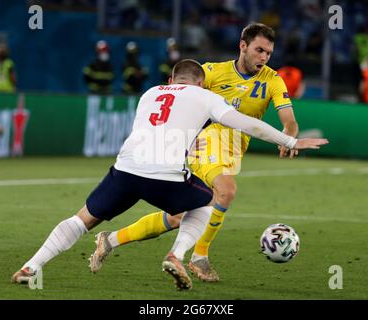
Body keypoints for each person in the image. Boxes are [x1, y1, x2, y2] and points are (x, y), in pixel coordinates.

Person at [11, 59, 327, 290]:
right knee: (207, 202)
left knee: (82, 219)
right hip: (165, 172)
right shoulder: (205, 96)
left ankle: (31, 266)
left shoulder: (149, 93)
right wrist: (289, 140)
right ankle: (177, 255)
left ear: (171, 78)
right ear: (201, 83)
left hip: (126, 168)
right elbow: (248, 124)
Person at [89, 22, 305, 283]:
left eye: (269, 53)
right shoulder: (211, 72)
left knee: (183, 216)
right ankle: (198, 257)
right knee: (226, 190)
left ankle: (110, 240)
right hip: (204, 143)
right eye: (259, 50)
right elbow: (175, 96)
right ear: (243, 46)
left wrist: (288, 136)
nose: (264, 57)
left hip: (233, 151)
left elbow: (289, 119)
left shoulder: (272, 79)